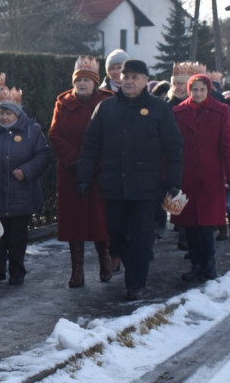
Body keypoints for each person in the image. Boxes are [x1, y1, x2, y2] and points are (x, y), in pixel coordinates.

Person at [77, 58, 183, 301]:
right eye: (126, 77)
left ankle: (136, 282)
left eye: (135, 77)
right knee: (116, 232)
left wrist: (173, 183)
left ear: (146, 80)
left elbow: (174, 147)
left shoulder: (159, 109)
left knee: (142, 236)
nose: (129, 81)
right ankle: (134, 267)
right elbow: (91, 145)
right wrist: (83, 177)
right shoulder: (106, 108)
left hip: (147, 187)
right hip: (114, 185)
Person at [48, 56, 115, 288]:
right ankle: (77, 270)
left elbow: (112, 136)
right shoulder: (63, 104)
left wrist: (96, 162)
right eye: (79, 80)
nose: (83, 84)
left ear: (95, 83)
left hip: (99, 171)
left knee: (100, 218)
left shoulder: (108, 103)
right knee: (73, 221)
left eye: (87, 80)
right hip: (70, 172)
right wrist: (74, 161)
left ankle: (105, 260)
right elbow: (54, 135)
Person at [172, 74, 230, 282]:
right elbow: (171, 147)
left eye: (202, 90)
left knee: (208, 225)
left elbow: (228, 145)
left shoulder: (220, 111)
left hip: (211, 176)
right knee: (189, 224)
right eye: (194, 90)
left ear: (208, 90)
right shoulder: (178, 111)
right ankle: (196, 264)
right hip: (186, 177)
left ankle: (209, 265)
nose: (198, 94)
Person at [0, 86, 52, 286]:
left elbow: (43, 155)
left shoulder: (32, 130)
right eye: (1, 112)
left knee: (17, 238)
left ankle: (17, 271)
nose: (4, 117)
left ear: (17, 113)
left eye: (8, 113)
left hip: (21, 193)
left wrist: (27, 170)